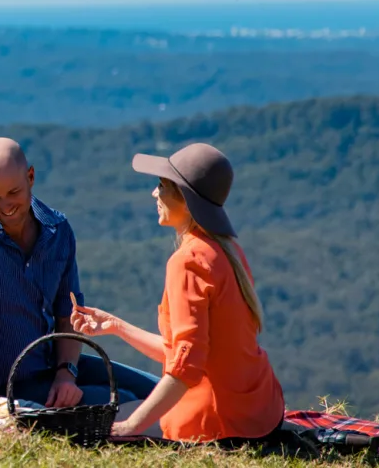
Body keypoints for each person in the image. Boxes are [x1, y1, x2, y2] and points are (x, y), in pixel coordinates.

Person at [72, 143, 285, 443]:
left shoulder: (187, 262)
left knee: (87, 410)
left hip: (216, 424)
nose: (154, 194)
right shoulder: (229, 252)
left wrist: (131, 426)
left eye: (161, 186)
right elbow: (191, 353)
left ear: (185, 200)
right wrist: (116, 327)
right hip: (262, 410)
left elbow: (186, 367)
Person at [0, 137, 156, 409]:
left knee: (156, 390)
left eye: (14, 192)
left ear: (31, 176)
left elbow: (69, 312)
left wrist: (66, 374)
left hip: (52, 364)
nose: (6, 207)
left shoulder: (58, 229)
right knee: (124, 403)